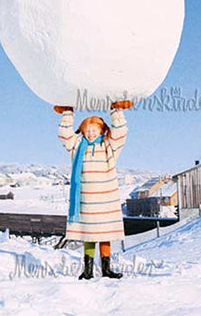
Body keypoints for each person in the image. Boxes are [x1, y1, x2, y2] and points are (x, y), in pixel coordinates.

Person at [54, 99, 133, 280]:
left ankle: (106, 269)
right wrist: (67, 113)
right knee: (88, 234)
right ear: (82, 131)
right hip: (86, 199)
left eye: (93, 130)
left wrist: (116, 111)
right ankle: (88, 271)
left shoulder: (108, 146)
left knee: (105, 233)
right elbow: (65, 135)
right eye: (86, 130)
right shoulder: (76, 146)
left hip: (106, 198)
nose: (90, 134)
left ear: (101, 130)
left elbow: (121, 133)